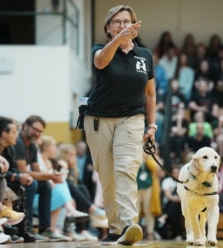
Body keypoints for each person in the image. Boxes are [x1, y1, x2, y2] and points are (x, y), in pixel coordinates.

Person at [84, 5, 156, 246]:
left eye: (127, 21)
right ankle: (115, 229)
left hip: (132, 118)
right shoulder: (99, 49)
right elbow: (102, 63)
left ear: (135, 27)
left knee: (126, 167)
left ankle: (127, 225)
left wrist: (152, 126)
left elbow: (150, 93)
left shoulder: (144, 55)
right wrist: (117, 40)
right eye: (116, 22)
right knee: (107, 177)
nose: (122, 25)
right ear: (108, 27)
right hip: (98, 118)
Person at [13, 115, 64, 242]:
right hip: (12, 177)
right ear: (25, 126)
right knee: (33, 184)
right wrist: (49, 176)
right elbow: (23, 171)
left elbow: (37, 171)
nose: (37, 133)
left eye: (40, 131)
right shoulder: (18, 142)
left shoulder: (32, 146)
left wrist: (51, 176)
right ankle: (27, 228)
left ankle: (45, 228)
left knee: (45, 185)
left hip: (23, 178)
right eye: (35, 129)